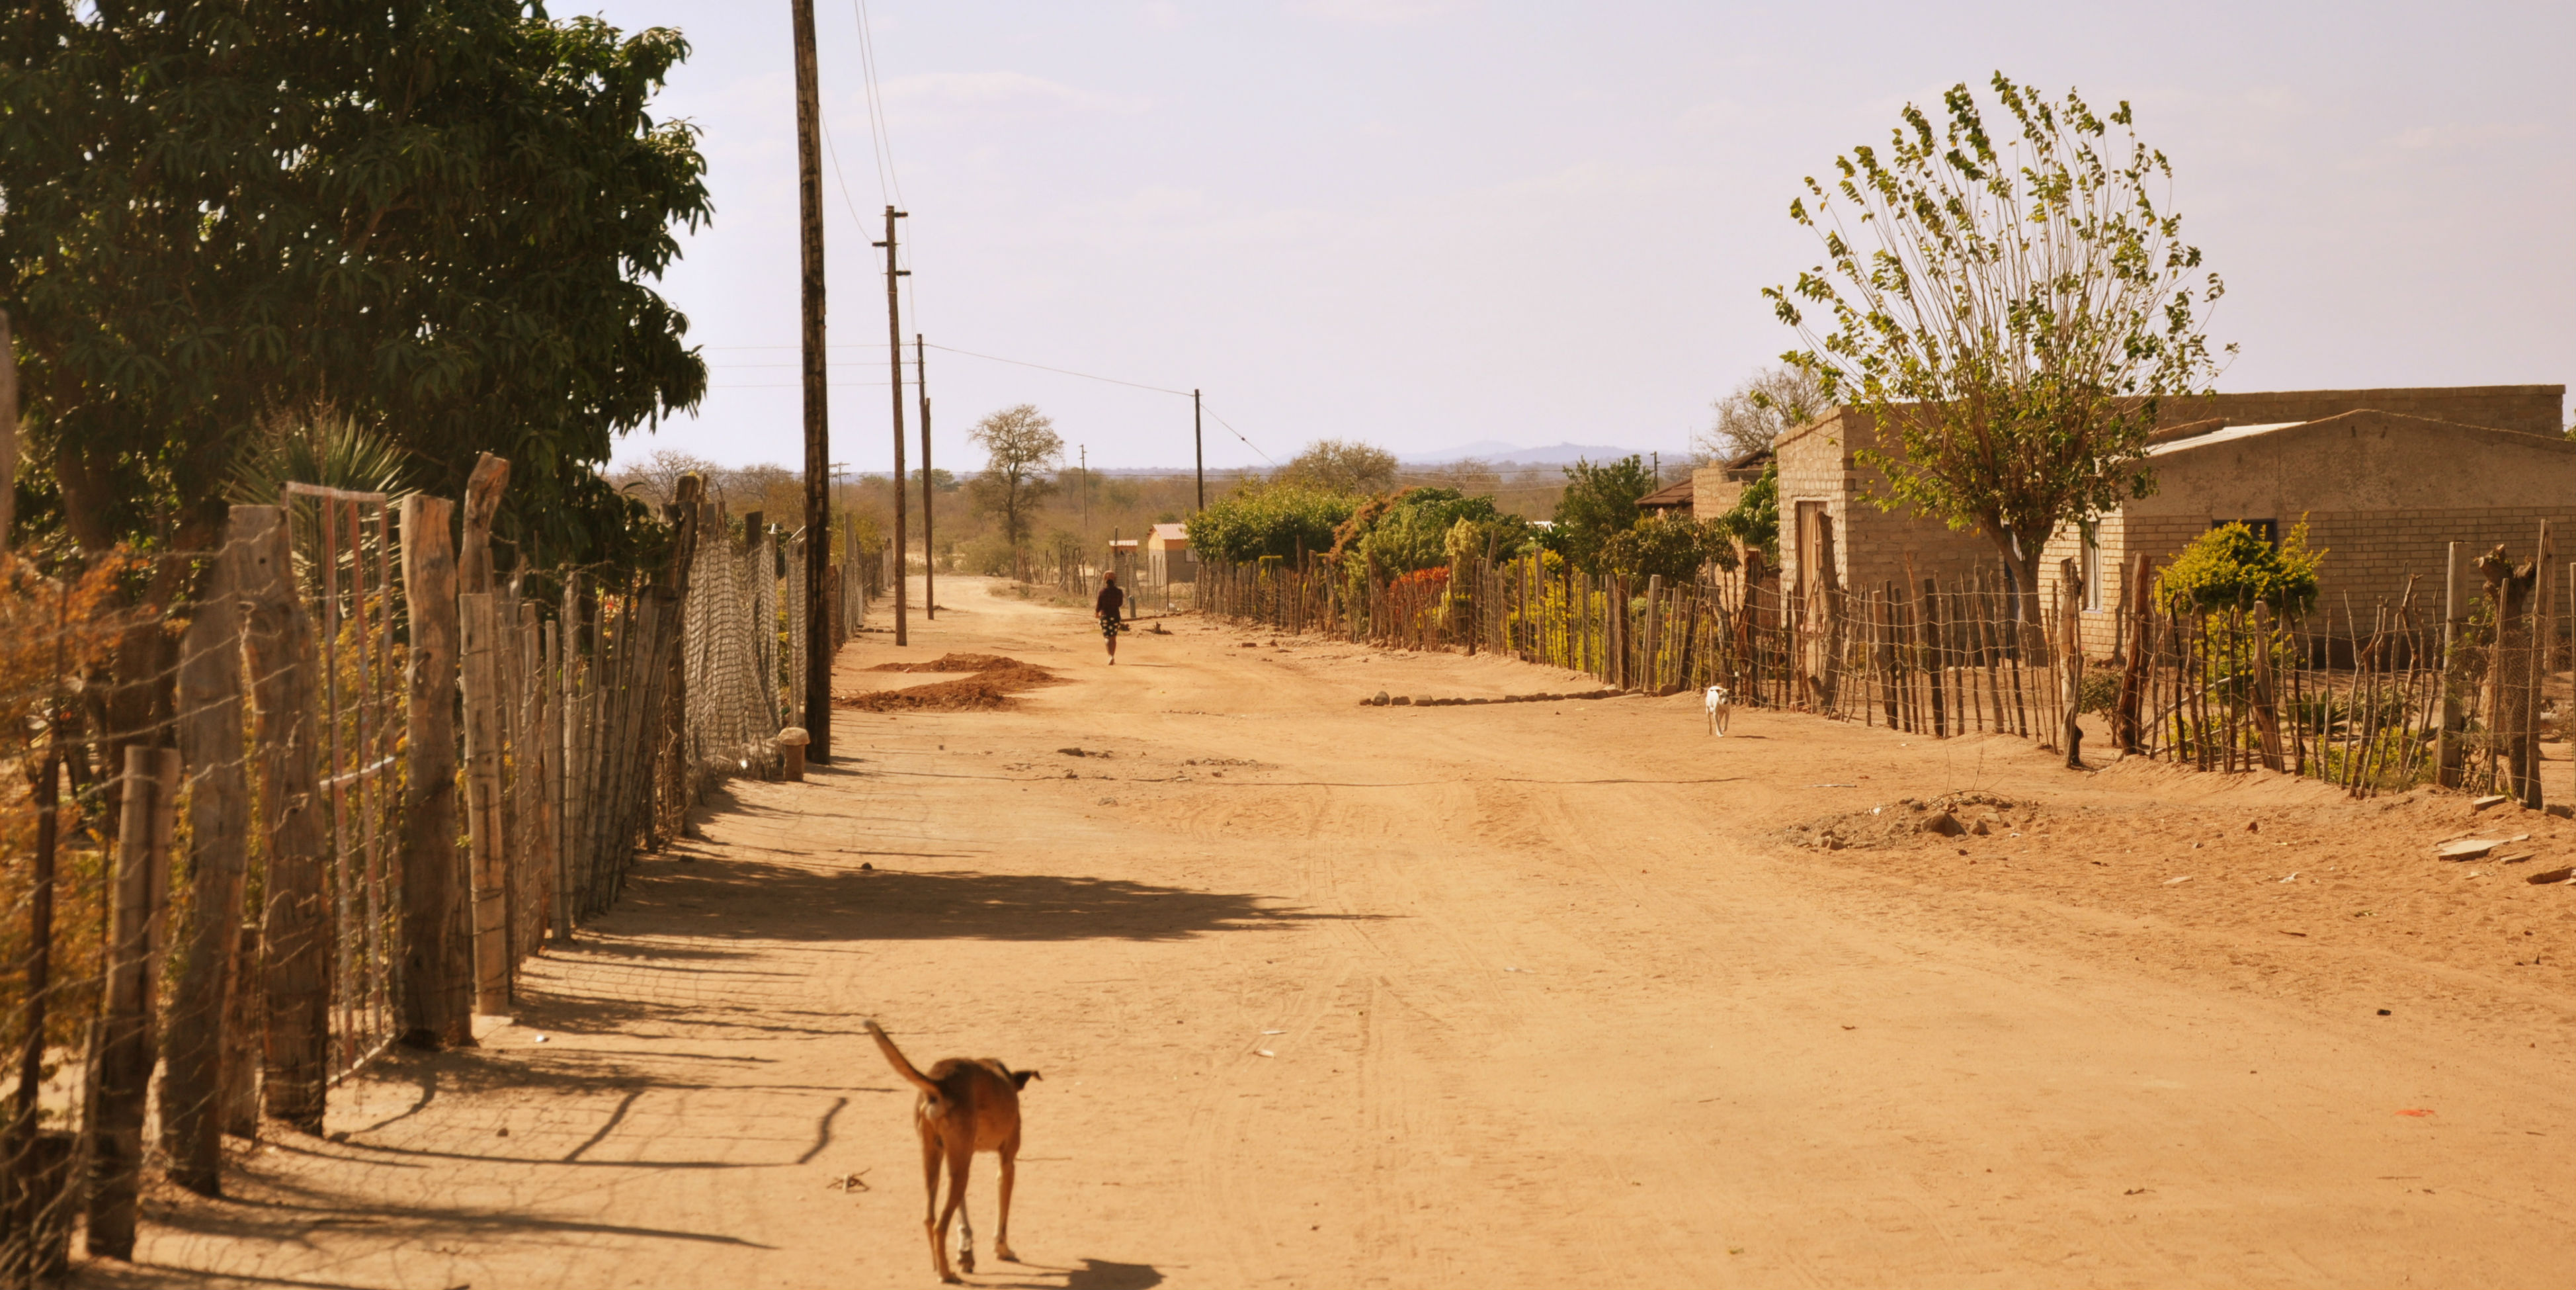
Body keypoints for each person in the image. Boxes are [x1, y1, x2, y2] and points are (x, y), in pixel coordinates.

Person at [1095, 571, 1126, 664]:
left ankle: (1110, 656)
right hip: (1116, 616)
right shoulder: (1119, 592)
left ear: (1105, 580)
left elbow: (1099, 605)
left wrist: (1097, 613)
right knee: (1113, 637)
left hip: (1105, 616)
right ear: (1115, 580)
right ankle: (1113, 656)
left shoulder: (1102, 592)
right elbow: (1120, 604)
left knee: (1107, 637)